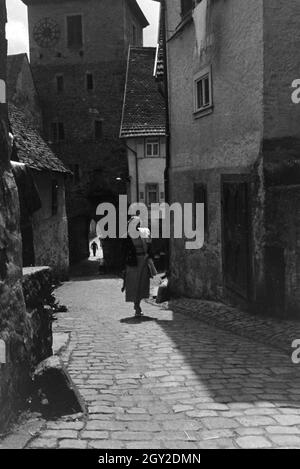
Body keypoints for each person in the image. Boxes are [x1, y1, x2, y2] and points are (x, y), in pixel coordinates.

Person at [121, 216, 157, 317]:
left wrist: (149, 256)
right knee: (134, 284)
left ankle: (138, 304)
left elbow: (150, 247)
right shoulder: (126, 236)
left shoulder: (144, 233)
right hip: (132, 263)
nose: (136, 226)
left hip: (143, 261)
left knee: (142, 283)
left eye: (138, 224)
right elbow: (123, 252)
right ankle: (137, 306)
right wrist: (123, 267)